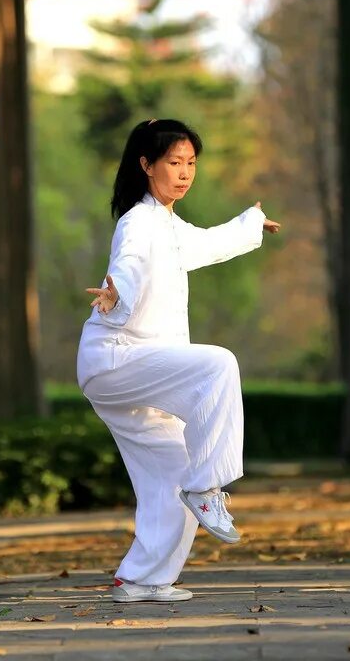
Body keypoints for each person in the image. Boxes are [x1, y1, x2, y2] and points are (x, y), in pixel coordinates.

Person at [77, 119, 281, 604]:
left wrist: (250, 223)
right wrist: (116, 294)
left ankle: (142, 578)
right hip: (118, 361)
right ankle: (210, 487)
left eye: (191, 163)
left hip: (139, 371)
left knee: (172, 475)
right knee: (218, 365)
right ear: (146, 166)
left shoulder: (168, 224)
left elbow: (207, 244)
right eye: (174, 162)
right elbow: (126, 263)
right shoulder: (138, 222)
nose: (185, 173)